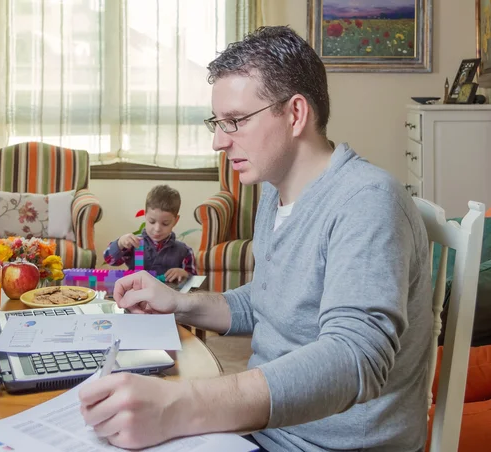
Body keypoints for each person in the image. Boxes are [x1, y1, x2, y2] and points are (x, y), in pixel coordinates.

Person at [79, 26, 432, 451]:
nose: (217, 141)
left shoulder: (368, 201)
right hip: (265, 432)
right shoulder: (276, 189)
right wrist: (180, 303)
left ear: (295, 114)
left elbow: (357, 358)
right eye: (217, 122)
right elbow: (268, 300)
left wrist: (180, 405)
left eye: (235, 121)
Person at [103, 184, 197, 283]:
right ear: (145, 215)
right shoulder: (134, 243)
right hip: (135, 295)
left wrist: (185, 274)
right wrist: (120, 243)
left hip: (167, 297)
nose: (157, 229)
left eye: (165, 223)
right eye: (152, 221)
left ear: (175, 221)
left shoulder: (184, 251)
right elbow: (110, 260)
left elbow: (194, 283)